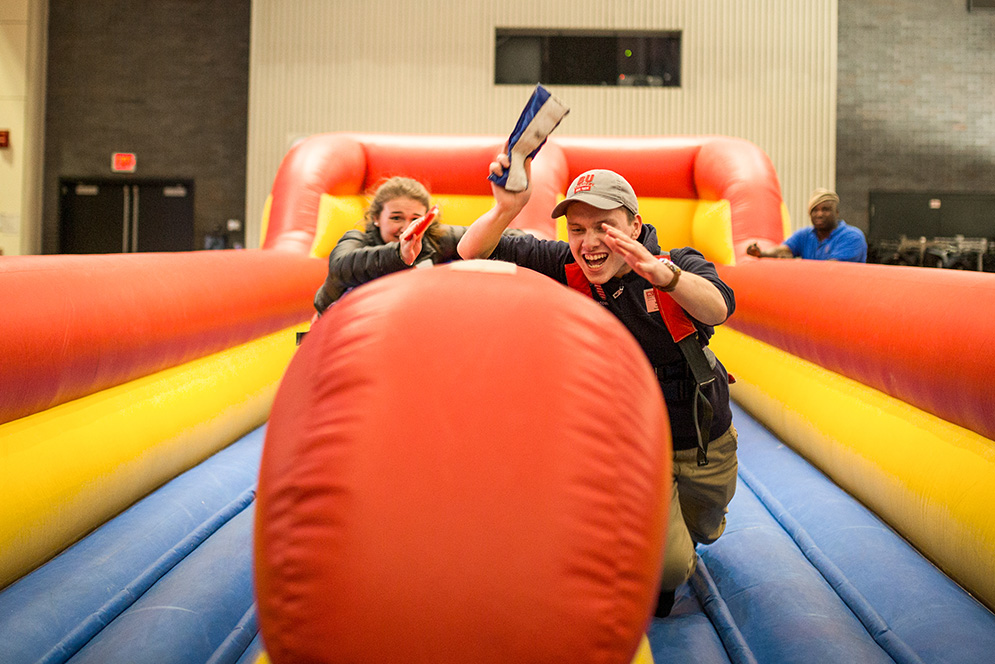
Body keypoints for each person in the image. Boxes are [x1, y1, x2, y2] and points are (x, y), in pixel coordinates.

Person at [458, 156, 738, 618]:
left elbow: (717, 308)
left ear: (635, 224)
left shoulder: (676, 264)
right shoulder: (563, 263)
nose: (589, 244)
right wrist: (505, 209)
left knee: (705, 528)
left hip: (700, 438)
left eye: (604, 227)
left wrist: (665, 277)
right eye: (577, 230)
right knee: (667, 573)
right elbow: (472, 254)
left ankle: (685, 528)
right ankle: (658, 550)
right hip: (632, 445)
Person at [313, 176, 465, 315]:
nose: (406, 228)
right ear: (376, 218)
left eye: (415, 219)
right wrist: (400, 254)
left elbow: (476, 241)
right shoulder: (357, 240)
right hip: (338, 327)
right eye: (396, 218)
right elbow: (340, 267)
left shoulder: (434, 239)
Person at [747, 188, 867, 262]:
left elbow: (831, 270)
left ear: (836, 213)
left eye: (825, 209)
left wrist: (795, 265)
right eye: (815, 210)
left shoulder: (852, 237)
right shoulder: (805, 235)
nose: (819, 214)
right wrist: (761, 253)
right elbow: (784, 250)